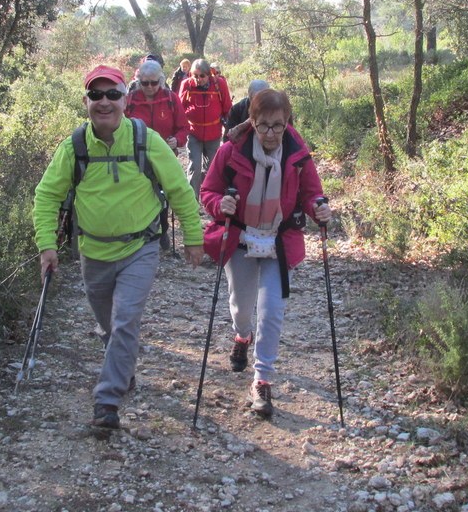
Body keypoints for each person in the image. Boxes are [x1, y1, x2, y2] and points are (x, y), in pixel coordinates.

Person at [34, 65, 204, 430]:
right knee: (110, 326)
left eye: (112, 94)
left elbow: (179, 190)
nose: (104, 102)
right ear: (86, 102)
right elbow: (47, 195)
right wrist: (47, 245)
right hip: (92, 252)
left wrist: (194, 238)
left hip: (139, 248)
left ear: (125, 100)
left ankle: (106, 401)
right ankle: (123, 369)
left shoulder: (146, 140)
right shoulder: (74, 146)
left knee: (125, 319)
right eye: (96, 95)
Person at [199, 88, 332, 418]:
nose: (271, 133)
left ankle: (262, 380)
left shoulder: (298, 154)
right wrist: (220, 204)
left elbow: (312, 194)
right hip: (241, 238)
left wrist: (319, 208)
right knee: (241, 307)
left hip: (278, 242)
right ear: (252, 122)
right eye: (263, 126)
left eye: (277, 125)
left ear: (287, 122)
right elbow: (208, 191)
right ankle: (242, 336)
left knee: (271, 310)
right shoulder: (231, 151)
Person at [124, 58, 189, 249]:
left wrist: (177, 140)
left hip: (164, 157)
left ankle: (162, 228)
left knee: (162, 195)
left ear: (160, 80)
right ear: (138, 81)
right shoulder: (130, 101)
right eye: (145, 83)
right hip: (136, 157)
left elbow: (184, 127)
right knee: (138, 193)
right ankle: (138, 229)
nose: (150, 87)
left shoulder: (170, 98)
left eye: (154, 82)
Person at [178, 59, 232, 198]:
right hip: (194, 133)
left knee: (213, 169)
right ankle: (192, 202)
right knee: (194, 168)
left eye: (202, 76)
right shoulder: (186, 85)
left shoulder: (219, 84)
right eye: (195, 75)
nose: (198, 79)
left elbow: (227, 107)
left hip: (214, 134)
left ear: (209, 74)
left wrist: (228, 129)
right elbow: (179, 110)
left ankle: (211, 199)